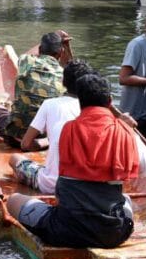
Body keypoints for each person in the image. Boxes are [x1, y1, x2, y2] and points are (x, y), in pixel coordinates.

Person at [7, 73, 146, 249]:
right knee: (127, 200)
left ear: (80, 103)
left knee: (13, 201)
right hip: (114, 234)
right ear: (110, 102)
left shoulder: (67, 130)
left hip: (67, 231)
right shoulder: (126, 134)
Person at [8, 59, 94, 193]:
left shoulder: (50, 104)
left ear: (63, 82)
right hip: (84, 185)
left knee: (15, 158)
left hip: (51, 184)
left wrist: (45, 142)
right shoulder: (92, 109)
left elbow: (25, 144)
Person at [0, 30, 73, 145]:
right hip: (44, 135)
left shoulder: (27, 61)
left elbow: (27, 54)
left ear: (40, 50)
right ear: (60, 52)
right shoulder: (65, 75)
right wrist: (66, 46)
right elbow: (72, 65)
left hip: (15, 135)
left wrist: (55, 34)